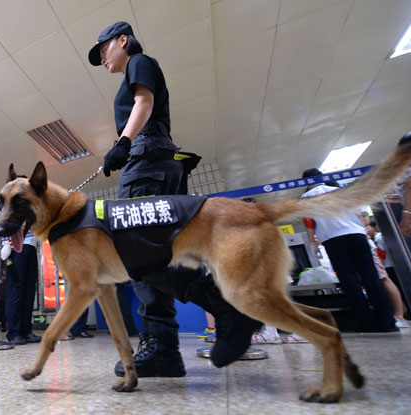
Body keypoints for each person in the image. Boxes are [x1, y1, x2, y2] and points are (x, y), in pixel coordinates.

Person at [88, 21, 261, 376]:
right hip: (153, 162)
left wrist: (123, 142)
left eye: (105, 48)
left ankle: (226, 308)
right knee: (151, 255)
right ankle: (163, 347)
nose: (103, 56)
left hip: (147, 163)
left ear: (123, 40)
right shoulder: (133, 68)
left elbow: (144, 100)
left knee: (135, 253)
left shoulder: (139, 60)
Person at [301, 168, 397, 332]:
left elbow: (309, 222)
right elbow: (358, 213)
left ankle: (366, 324)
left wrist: (312, 244)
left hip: (333, 239)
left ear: (306, 182)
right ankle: (387, 323)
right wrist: (363, 232)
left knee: (349, 281)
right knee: (371, 277)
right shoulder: (341, 190)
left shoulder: (306, 197)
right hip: (357, 235)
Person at [2, 229, 42, 345]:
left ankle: (26, 331)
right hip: (16, 247)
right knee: (15, 292)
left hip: (31, 247)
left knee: (29, 293)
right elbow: (5, 220)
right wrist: (6, 244)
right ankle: (14, 332)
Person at [367, 222, 409, 328]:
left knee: (387, 283)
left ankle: (400, 315)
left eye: (369, 227)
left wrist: (381, 265)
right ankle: (401, 312)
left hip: (388, 266)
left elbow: (382, 252)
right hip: (389, 266)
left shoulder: (378, 238)